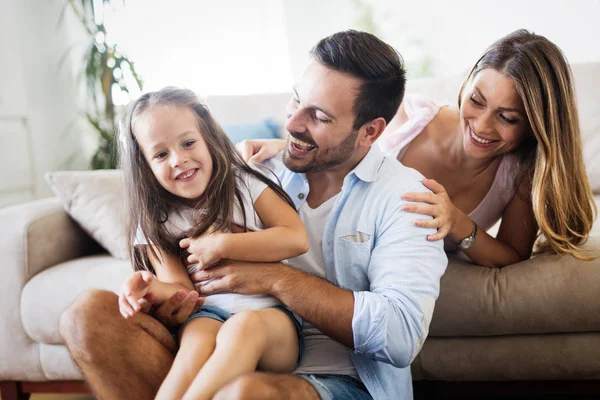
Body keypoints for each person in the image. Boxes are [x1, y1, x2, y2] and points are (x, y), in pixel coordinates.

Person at [59, 30, 447, 400]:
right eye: (296, 101)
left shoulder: (407, 198)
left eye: (320, 117)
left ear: (370, 131)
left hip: (337, 381)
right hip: (217, 347)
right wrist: (160, 298)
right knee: (86, 316)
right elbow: (184, 277)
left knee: (245, 393)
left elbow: (401, 336)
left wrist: (275, 277)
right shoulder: (256, 165)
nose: (293, 124)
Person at [241, 29, 597, 268]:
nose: (482, 126)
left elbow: (512, 254)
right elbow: (345, 145)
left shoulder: (519, 172)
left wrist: (459, 223)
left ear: (536, 124)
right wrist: (288, 148)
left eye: (507, 118)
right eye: (476, 100)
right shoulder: (411, 118)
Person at [121, 87, 309, 400]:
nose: (179, 159)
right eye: (161, 154)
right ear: (145, 166)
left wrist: (222, 245)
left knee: (243, 327)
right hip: (207, 314)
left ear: (208, 137)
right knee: (193, 345)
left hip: (273, 323)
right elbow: (182, 293)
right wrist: (146, 289)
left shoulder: (245, 183)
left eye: (188, 143)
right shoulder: (157, 220)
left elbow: (295, 238)